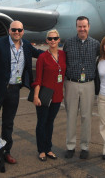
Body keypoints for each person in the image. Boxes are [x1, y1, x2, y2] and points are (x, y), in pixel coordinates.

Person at [0, 20, 43, 169]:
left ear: (23, 31)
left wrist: (56, 52)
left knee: (8, 124)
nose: (17, 32)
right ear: (9, 30)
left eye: (19, 30)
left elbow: (39, 54)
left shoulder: (25, 45)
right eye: (14, 30)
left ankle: (6, 151)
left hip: (14, 90)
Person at [63, 16, 100, 159]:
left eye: (84, 26)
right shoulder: (69, 43)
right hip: (71, 83)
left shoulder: (95, 44)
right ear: (76, 27)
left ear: (89, 27)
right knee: (71, 116)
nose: (82, 29)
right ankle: (70, 146)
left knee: (86, 117)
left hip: (88, 85)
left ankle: (85, 147)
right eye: (79, 26)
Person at [31, 29, 66, 162]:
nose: (52, 41)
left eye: (55, 38)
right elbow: (38, 79)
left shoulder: (63, 55)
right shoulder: (42, 57)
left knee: (50, 123)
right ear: (46, 40)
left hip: (57, 96)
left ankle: (48, 148)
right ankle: (41, 150)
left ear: (59, 40)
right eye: (50, 39)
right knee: (42, 123)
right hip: (44, 95)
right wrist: (36, 96)